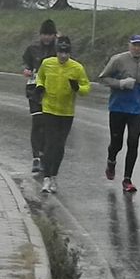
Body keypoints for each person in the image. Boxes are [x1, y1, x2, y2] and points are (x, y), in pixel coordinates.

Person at [98, 35, 140, 193]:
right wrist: (120, 83)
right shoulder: (118, 59)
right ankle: (111, 161)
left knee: (133, 141)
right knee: (117, 143)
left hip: (137, 109)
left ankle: (127, 179)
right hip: (118, 107)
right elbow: (103, 78)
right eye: (135, 45)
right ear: (129, 45)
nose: (137, 48)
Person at [35, 36, 90, 193]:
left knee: (60, 146)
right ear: (56, 51)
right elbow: (41, 76)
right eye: (60, 52)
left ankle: (54, 176)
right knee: (50, 144)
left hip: (66, 112)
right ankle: (46, 178)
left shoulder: (77, 68)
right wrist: (40, 86)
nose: (63, 56)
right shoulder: (47, 63)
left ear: (70, 53)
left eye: (66, 53)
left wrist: (77, 88)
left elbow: (86, 88)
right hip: (49, 109)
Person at [22, 19, 57, 173]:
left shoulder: (59, 49)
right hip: (34, 90)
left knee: (49, 125)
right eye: (44, 34)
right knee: (38, 122)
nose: (47, 38)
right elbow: (26, 65)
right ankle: (36, 157)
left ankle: (44, 154)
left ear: (54, 35)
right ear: (40, 35)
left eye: (50, 35)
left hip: (53, 91)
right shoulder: (32, 49)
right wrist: (27, 70)